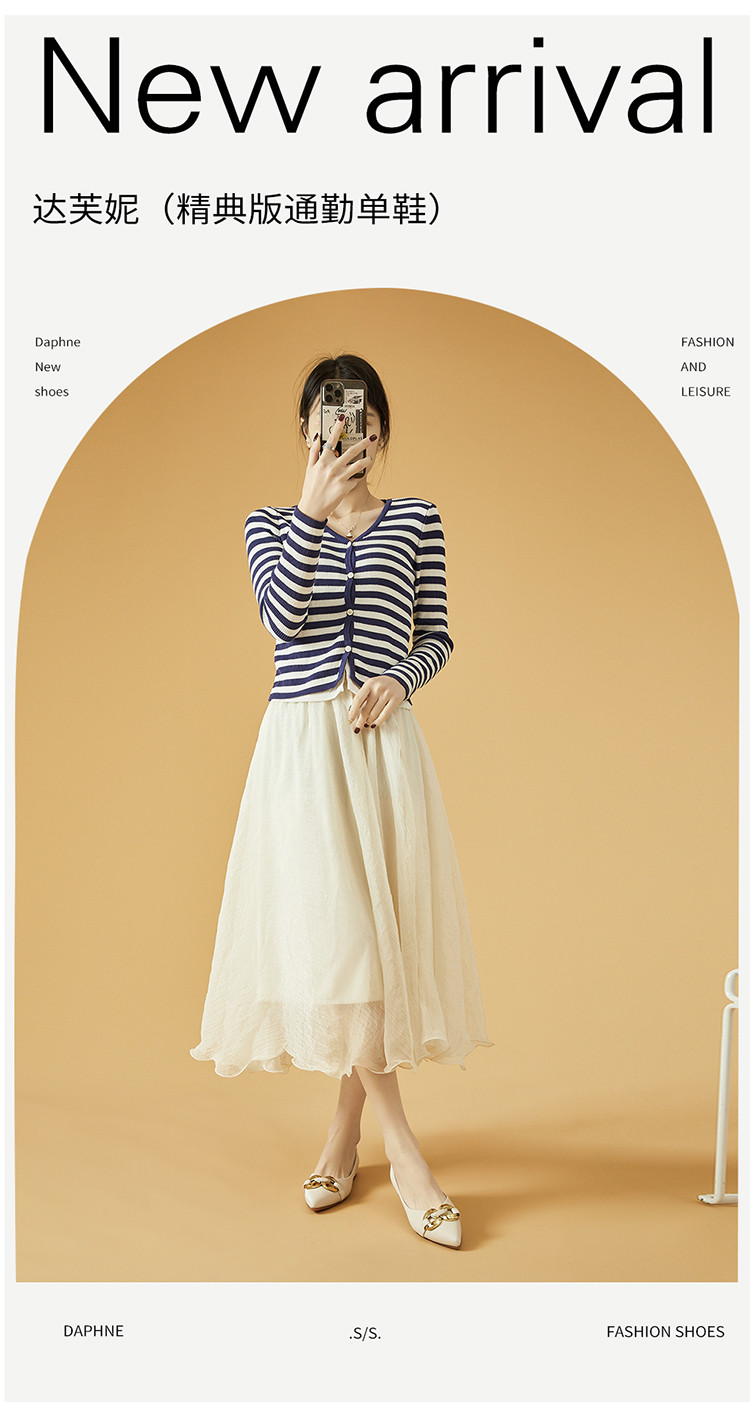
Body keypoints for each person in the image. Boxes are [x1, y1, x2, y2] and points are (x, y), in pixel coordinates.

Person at [190, 353, 493, 1249]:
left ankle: (341, 1134)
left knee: (373, 947)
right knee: (342, 940)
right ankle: (405, 1156)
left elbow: (437, 634)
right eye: (323, 415)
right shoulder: (269, 525)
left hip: (383, 752)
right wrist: (309, 514)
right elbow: (281, 620)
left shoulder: (418, 520)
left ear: (379, 428)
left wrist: (401, 679)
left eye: (354, 414)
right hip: (303, 755)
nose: (340, 428)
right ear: (306, 431)